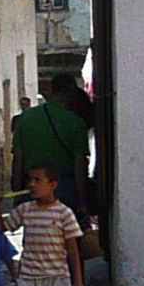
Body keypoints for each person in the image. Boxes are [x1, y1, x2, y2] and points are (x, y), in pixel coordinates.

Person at [12, 73, 92, 218]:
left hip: (33, 188)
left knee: (36, 235)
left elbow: (18, 159)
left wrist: (17, 194)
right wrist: (83, 202)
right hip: (66, 190)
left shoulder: (25, 119)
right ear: (71, 93)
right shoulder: (76, 123)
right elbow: (80, 166)